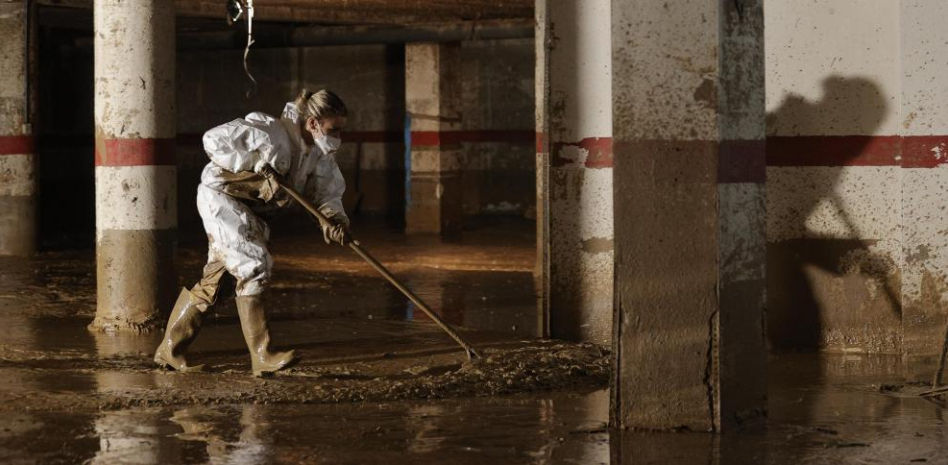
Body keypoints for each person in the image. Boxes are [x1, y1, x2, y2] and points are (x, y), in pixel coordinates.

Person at [154, 89, 351, 377]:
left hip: (250, 212)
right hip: (222, 198)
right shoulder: (270, 132)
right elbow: (212, 139)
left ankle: (170, 351)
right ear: (313, 123)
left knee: (217, 283)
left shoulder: (318, 155)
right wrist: (255, 164)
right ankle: (263, 355)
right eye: (334, 129)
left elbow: (328, 191)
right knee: (254, 265)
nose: (337, 137)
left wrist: (334, 220)